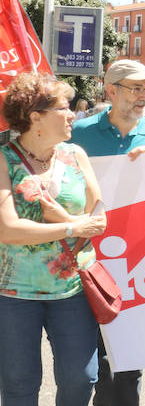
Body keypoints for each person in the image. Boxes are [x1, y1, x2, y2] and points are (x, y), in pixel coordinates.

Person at [0, 72, 107, 406]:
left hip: (73, 289)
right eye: (64, 107)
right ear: (36, 117)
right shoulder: (4, 159)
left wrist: (65, 220)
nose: (73, 113)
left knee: (82, 377)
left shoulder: (75, 155)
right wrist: (73, 227)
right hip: (15, 294)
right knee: (19, 386)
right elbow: (8, 230)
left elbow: (99, 217)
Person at [69, 59, 145, 406]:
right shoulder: (80, 134)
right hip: (86, 261)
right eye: (136, 88)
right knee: (92, 361)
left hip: (138, 262)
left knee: (129, 364)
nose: (144, 96)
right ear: (111, 91)